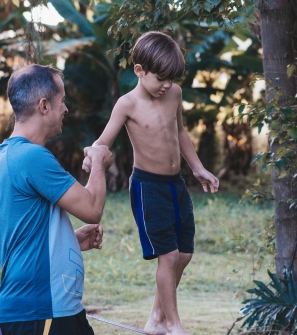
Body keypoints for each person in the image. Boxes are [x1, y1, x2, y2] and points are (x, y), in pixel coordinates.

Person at [82, 31, 219, 335]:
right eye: (160, 78)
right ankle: (172, 324)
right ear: (139, 71)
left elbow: (180, 132)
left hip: (176, 183)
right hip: (148, 188)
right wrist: (91, 155)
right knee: (167, 256)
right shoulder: (126, 104)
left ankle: (157, 318)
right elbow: (103, 141)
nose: (166, 85)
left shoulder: (174, 94)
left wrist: (197, 168)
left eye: (171, 78)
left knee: (184, 254)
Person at [0, 64, 113, 335]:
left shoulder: (0, 160)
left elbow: (3, 239)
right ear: (44, 105)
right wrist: (100, 160)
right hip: (41, 311)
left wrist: (69, 240)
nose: (65, 109)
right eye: (62, 101)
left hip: (48, 311)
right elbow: (92, 208)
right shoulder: (32, 157)